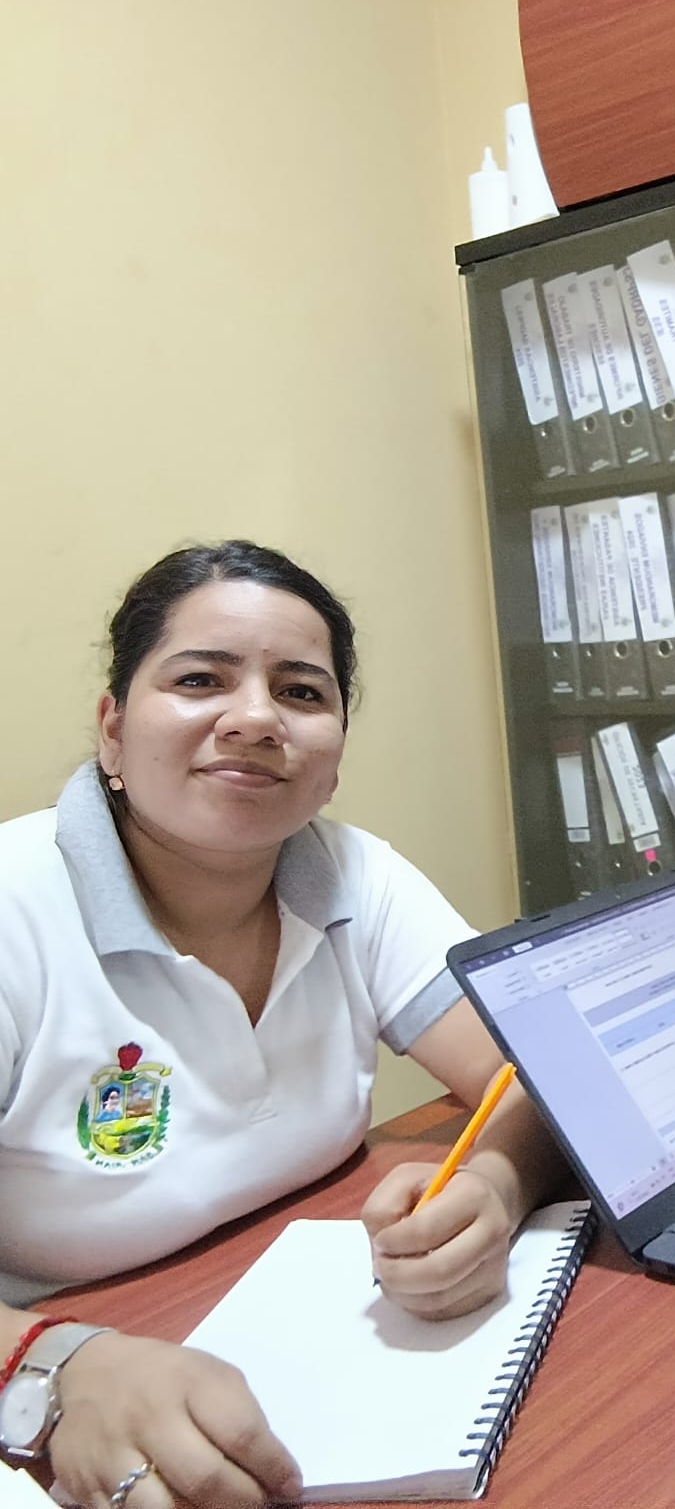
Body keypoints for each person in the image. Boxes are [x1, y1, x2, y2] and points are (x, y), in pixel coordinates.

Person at [0, 542, 565, 1509]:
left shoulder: (354, 874)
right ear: (113, 732)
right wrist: (56, 1365)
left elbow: (542, 1076)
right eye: (200, 680)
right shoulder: (16, 910)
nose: (256, 718)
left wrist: (496, 1186)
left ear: (333, 756)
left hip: (328, 1350)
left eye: (301, 692)